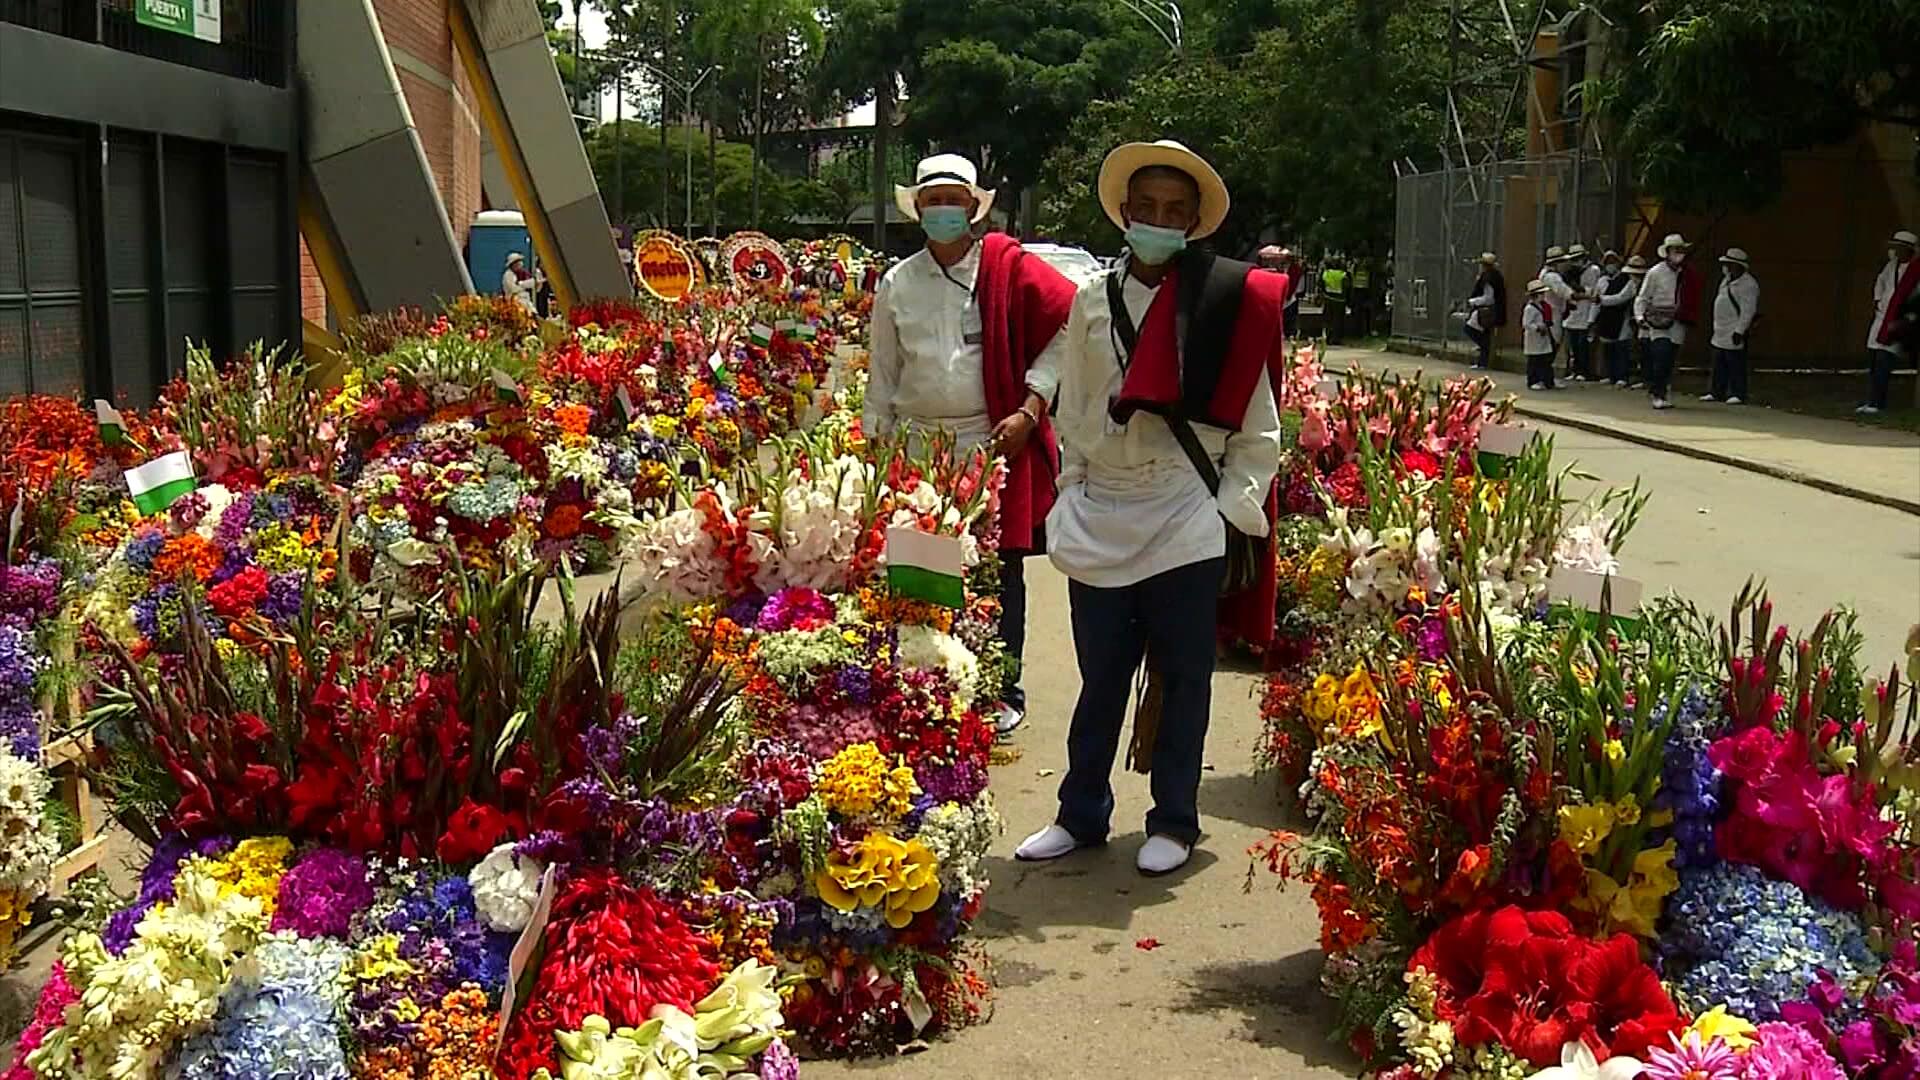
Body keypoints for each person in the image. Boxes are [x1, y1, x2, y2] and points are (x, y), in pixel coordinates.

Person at [1015, 140, 1284, 876]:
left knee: (1183, 674)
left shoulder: (1226, 299)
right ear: (1126, 215)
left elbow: (1258, 424)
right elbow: (1070, 402)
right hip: (1101, 508)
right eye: (1148, 209)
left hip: (1183, 511)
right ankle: (1080, 814)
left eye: (1176, 211)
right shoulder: (1091, 300)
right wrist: (1071, 490)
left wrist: (1230, 510)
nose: (1159, 221)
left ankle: (1173, 819)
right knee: (1100, 675)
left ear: (1194, 222)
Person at [866, 153, 1078, 736]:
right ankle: (930, 683)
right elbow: (882, 373)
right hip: (914, 446)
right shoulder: (897, 282)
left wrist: (1033, 404)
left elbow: (1071, 321)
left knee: (998, 569)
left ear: (972, 208)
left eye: (952, 201)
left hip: (989, 441)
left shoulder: (1006, 267)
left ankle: (1002, 685)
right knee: (923, 568)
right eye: (932, 202)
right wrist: (874, 447)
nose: (942, 211)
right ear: (919, 211)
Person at [1634, 233, 1699, 410]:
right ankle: (1657, 393)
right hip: (1658, 320)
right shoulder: (1655, 273)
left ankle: (1663, 389)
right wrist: (1640, 317)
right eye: (1675, 250)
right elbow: (1643, 297)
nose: (1679, 253)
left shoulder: (1687, 273)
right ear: (1667, 252)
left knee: (1670, 358)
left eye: (1681, 250)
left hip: (1678, 320)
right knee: (1661, 354)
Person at [1861, 230, 1919, 415]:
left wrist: (1906, 317)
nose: (1896, 252)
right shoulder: (1891, 266)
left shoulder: (1916, 270)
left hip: (1899, 320)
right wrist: (1878, 299)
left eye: (1900, 248)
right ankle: (1871, 400)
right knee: (1873, 356)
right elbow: (1881, 282)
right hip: (1882, 316)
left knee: (1883, 360)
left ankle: (1878, 403)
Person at [1705, 248, 1759, 404]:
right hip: (1720, 329)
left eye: (1729, 264)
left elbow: (1748, 310)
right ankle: (1716, 391)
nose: (1726, 267)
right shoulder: (1727, 280)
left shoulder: (1749, 285)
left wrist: (1739, 331)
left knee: (1735, 363)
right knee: (1719, 362)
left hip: (1734, 328)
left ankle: (1738, 392)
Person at [1596, 254, 1644, 386]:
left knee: (1622, 347)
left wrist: (1602, 300)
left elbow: (1621, 298)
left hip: (1626, 316)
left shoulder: (1635, 283)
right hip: (1612, 316)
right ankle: (1612, 375)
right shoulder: (1621, 280)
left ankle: (1622, 376)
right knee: (1610, 347)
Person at [1562, 244, 1601, 381]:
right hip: (1573, 312)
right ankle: (1574, 370)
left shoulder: (1593, 270)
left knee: (1583, 345)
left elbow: (1593, 292)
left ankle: (1585, 371)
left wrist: (1583, 293)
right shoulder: (1571, 272)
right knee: (1573, 345)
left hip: (1587, 311)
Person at [1462, 252, 1507, 369]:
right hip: (1492, 309)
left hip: (1487, 310)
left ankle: (1484, 354)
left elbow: (1488, 298)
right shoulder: (1494, 276)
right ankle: (1483, 361)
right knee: (1484, 334)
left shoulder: (1489, 278)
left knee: (1470, 329)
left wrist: (1473, 302)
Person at [1523, 279, 1559, 391]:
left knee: (1545, 360)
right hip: (1534, 337)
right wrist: (1538, 327)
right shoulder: (1529, 308)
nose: (1543, 295)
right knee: (1534, 361)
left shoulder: (1543, 306)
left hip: (1543, 337)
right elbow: (1526, 324)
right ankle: (1533, 381)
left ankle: (1548, 381)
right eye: (1541, 294)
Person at [1321, 259, 1349, 345]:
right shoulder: (1343, 275)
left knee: (1328, 319)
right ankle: (1336, 339)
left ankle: (1328, 337)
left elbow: (1321, 284)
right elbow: (1347, 287)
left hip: (1328, 299)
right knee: (1338, 320)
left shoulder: (1326, 273)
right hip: (1340, 301)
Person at [1350, 258, 1375, 338]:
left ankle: (1365, 331)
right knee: (1358, 313)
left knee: (1365, 313)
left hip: (1364, 292)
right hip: (1358, 291)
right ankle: (1358, 332)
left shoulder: (1366, 268)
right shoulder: (1356, 268)